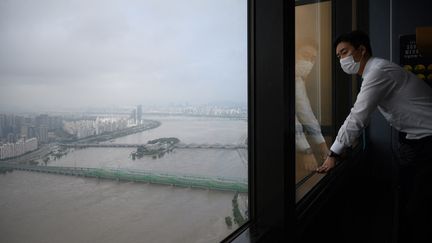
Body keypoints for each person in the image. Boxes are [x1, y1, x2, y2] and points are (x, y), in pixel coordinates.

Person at [316, 30, 432, 242]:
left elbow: (358, 116)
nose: (342, 59)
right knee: (412, 203)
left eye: (345, 52)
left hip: (428, 141)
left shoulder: (378, 71)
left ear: (361, 50)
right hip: (418, 141)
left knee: (419, 208)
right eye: (339, 56)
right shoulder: (375, 72)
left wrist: (333, 152)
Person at [295, 41, 329, 173]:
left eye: (312, 59)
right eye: (305, 55)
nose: (308, 62)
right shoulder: (280, 77)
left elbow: (306, 114)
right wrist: (306, 150)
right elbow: (288, 118)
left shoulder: (298, 80)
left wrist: (323, 146)